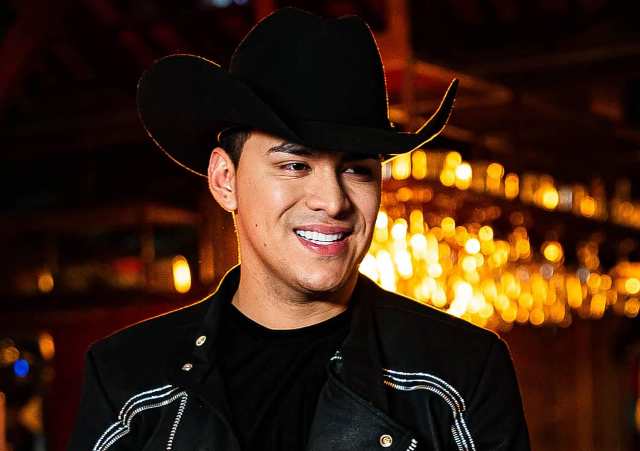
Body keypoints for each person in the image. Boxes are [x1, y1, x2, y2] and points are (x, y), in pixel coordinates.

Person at [68, 7, 530, 451]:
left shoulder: (461, 371)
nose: (332, 200)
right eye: (294, 165)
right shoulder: (126, 377)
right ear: (225, 180)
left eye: (357, 170)